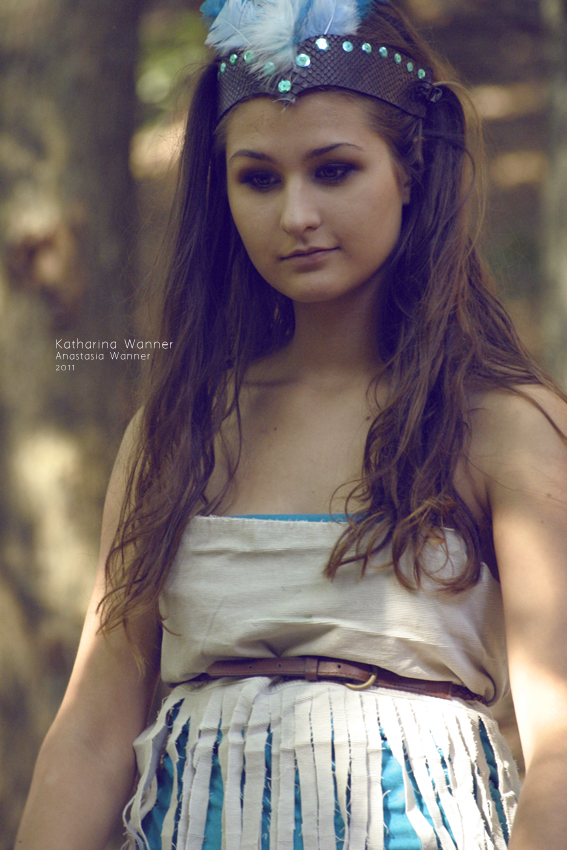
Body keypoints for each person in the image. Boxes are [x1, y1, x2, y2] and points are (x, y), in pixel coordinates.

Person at [15, 1, 567, 848]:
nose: (295, 214)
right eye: (259, 179)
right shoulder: (180, 430)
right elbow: (93, 724)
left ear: (410, 169)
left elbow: (559, 743)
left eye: (333, 170)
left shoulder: (497, 425)